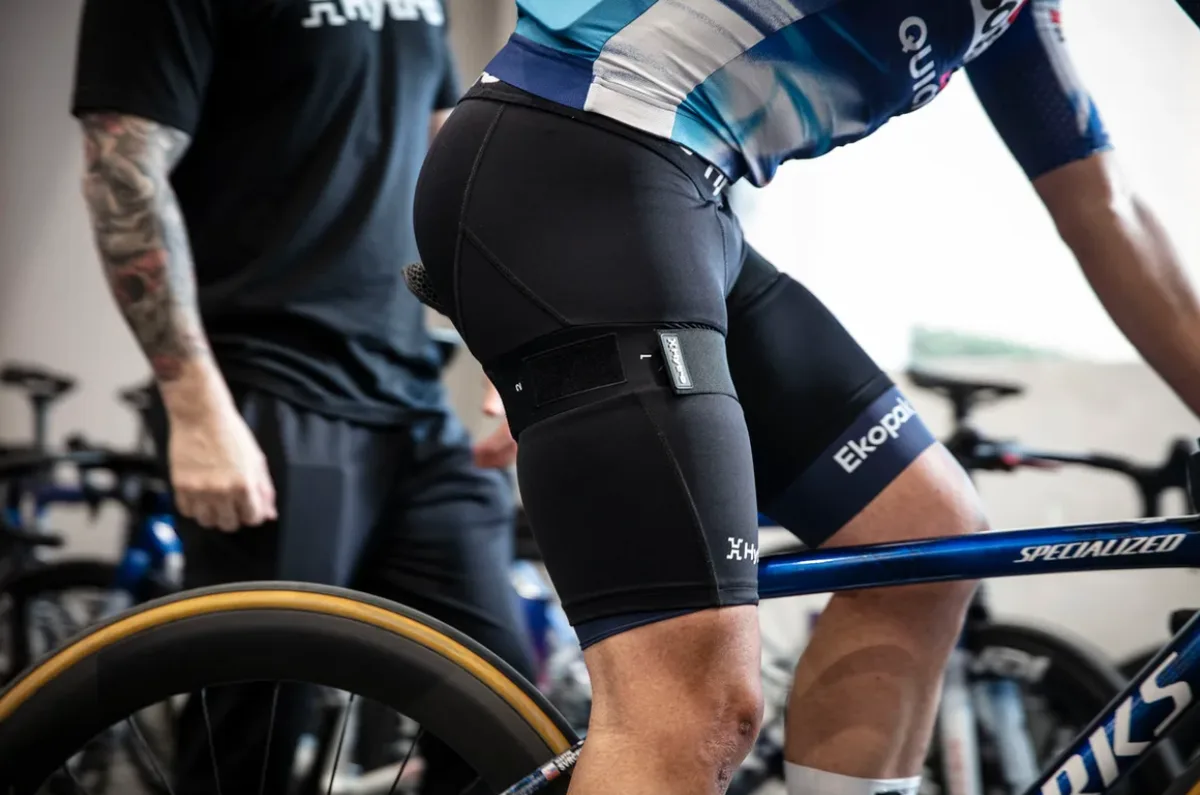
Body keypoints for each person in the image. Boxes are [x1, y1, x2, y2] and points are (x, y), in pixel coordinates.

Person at [411, 2, 1200, 794]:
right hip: (579, 169)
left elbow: (1105, 208)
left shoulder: (1012, 19)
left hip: (679, 196)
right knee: (694, 705)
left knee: (921, 542)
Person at [71, 0, 533, 791]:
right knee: (255, 737)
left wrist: (512, 341)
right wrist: (196, 409)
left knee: (503, 709)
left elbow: (446, 161)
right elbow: (123, 170)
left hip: (409, 396)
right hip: (268, 395)